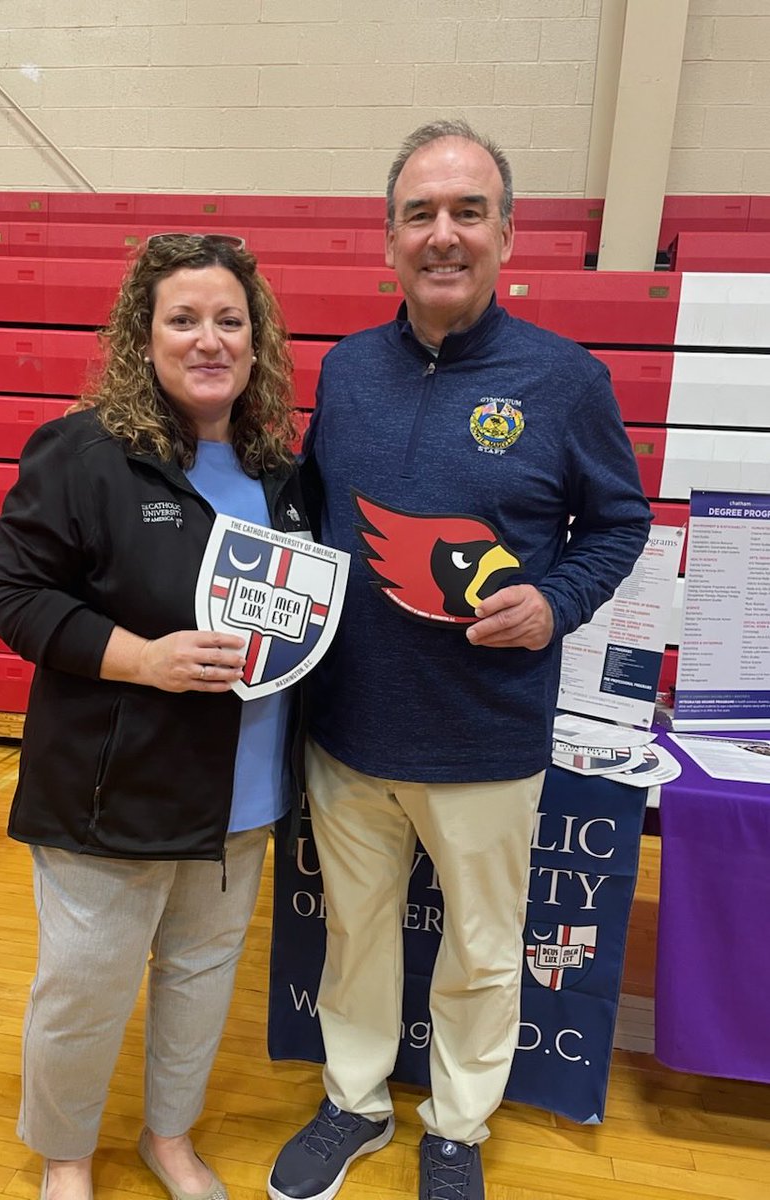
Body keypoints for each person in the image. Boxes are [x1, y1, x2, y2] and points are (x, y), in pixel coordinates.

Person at [268, 120, 653, 1200]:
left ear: (507, 235)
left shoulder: (565, 379)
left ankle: (457, 1126)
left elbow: (618, 525)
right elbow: (309, 516)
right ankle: (351, 1105)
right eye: (420, 214)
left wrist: (557, 598)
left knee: (484, 953)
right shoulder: (345, 370)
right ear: (387, 242)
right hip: (349, 729)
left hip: (487, 734)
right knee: (355, 937)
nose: (444, 235)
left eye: (467, 212)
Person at [0, 233, 310, 1200]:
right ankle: (67, 1156)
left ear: (257, 339)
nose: (210, 340)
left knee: (201, 983)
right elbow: (5, 592)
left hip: (242, 796)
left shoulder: (278, 465)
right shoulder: (85, 450)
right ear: (144, 334)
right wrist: (142, 659)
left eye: (230, 321)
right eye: (184, 319)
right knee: (85, 993)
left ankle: (170, 1137)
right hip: (109, 791)